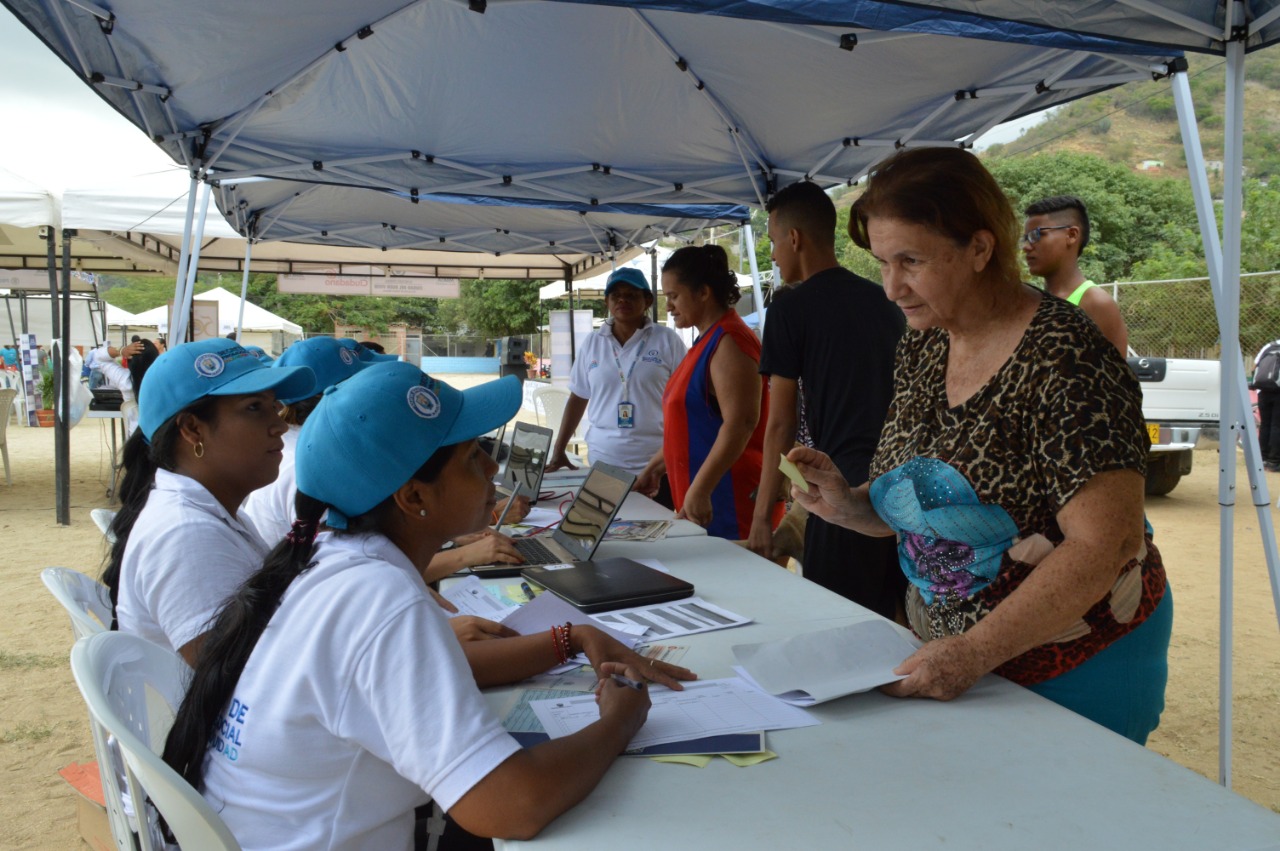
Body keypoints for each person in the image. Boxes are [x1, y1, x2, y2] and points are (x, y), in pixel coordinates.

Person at [162, 362, 689, 847]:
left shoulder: (325, 560)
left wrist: (573, 637)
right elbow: (510, 806)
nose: (491, 466)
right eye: (469, 456)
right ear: (413, 498)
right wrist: (620, 721)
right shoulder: (377, 598)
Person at [790, 147, 1171, 744]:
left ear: (979, 248)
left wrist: (971, 652)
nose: (891, 288)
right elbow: (927, 505)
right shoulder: (923, 343)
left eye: (909, 261)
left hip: (1073, 659)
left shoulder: (1063, 354)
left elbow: (1108, 543)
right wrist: (848, 505)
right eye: (883, 263)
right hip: (957, 661)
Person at [101, 339, 317, 663]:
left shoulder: (214, 512)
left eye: (274, 405)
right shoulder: (186, 535)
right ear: (192, 429)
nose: (279, 424)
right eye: (255, 408)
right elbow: (238, 681)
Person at [242, 336, 529, 579]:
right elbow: (361, 575)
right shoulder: (312, 471)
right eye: (366, 379)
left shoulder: (317, 454)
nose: (491, 466)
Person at [748, 180, 905, 618]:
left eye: (774, 241)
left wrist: (762, 517)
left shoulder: (789, 309)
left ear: (794, 238)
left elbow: (778, 422)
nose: (775, 255)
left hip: (842, 494)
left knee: (840, 626)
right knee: (896, 624)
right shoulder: (885, 299)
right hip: (897, 491)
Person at [637, 245, 777, 539]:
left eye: (673, 297)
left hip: (728, 500)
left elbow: (741, 423)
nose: (669, 307)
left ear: (703, 292)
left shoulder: (730, 341)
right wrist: (655, 468)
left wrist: (701, 488)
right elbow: (693, 425)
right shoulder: (706, 340)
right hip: (706, 496)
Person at [545, 267, 688, 491]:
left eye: (631, 295)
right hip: (604, 464)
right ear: (607, 302)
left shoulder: (667, 341)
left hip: (657, 466)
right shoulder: (593, 343)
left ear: (647, 300)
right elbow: (578, 398)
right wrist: (559, 449)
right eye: (615, 295)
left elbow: (686, 401)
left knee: (656, 525)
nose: (622, 300)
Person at [1023, 195, 1128, 356]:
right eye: (1025, 238)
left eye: (1036, 235)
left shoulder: (1096, 304)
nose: (1026, 247)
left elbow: (1117, 378)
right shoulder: (1032, 302)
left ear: (1071, 235)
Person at [1252, 337, 1280, 473]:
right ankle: (1274, 462)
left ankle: (1261, 459)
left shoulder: (1269, 346)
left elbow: (1255, 366)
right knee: (1277, 425)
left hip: (1263, 390)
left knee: (1265, 425)